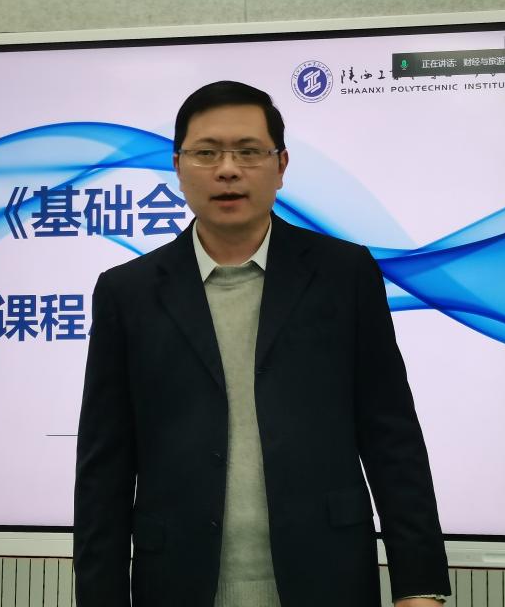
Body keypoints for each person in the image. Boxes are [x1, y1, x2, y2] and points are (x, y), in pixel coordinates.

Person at [74, 81, 450, 607]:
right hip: (179, 582)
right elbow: (104, 468)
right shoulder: (127, 292)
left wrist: (420, 585)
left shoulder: (343, 274)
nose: (228, 170)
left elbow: (392, 436)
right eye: (207, 153)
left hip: (326, 578)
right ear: (178, 167)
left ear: (281, 165)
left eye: (249, 152)